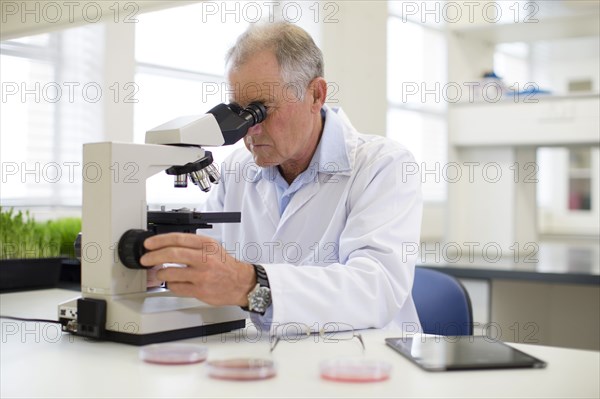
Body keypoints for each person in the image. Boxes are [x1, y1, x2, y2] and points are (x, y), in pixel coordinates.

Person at [140, 22, 423, 333]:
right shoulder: (237, 168)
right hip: (265, 359)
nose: (250, 128)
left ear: (316, 95)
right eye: (239, 111)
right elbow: (210, 260)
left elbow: (375, 290)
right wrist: (163, 269)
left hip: (363, 362)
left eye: (261, 110)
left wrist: (251, 285)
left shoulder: (383, 165)